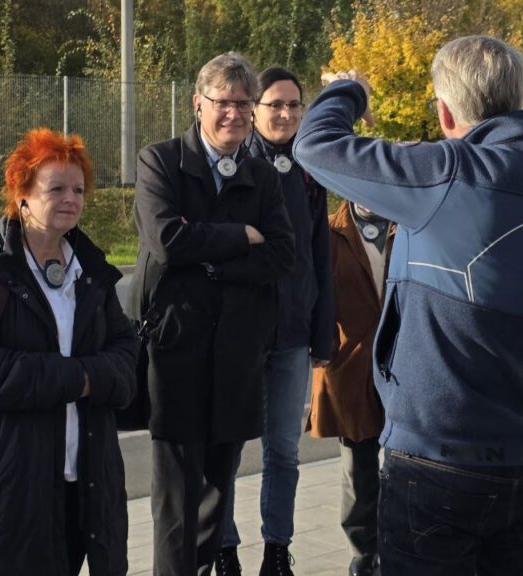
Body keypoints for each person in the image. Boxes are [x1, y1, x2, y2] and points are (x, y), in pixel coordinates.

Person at [293, 35, 523, 575]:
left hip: (433, 463)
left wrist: (348, 89)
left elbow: (315, 144)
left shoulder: (447, 171)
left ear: (445, 112)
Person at [0, 128, 138, 576]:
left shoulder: (91, 271)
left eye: (79, 189)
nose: (72, 198)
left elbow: (126, 350)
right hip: (10, 483)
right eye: (57, 188)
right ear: (22, 194)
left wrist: (96, 377)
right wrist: (76, 379)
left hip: (84, 479)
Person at [125, 52, 295, 576]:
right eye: (223, 103)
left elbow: (282, 255)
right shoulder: (162, 161)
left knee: (215, 499)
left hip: (238, 355)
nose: (235, 115)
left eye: (244, 104)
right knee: (176, 503)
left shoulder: (262, 177)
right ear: (198, 104)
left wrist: (213, 263)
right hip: (176, 354)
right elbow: (168, 240)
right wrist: (239, 238)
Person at [216, 66, 333, 576]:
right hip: (239, 335)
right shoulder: (234, 165)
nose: (285, 114)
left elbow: (320, 255)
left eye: (293, 105)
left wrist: (322, 330)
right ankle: (222, 546)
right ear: (254, 109)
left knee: (283, 451)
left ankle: (277, 550)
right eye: (274, 104)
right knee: (224, 444)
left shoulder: (309, 170)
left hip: (290, 337)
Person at [307, 201, 394, 576]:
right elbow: (313, 295)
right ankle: (363, 550)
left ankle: (396, 544)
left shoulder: (408, 224)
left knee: (404, 465)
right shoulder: (328, 231)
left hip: (402, 362)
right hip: (349, 364)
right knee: (358, 468)